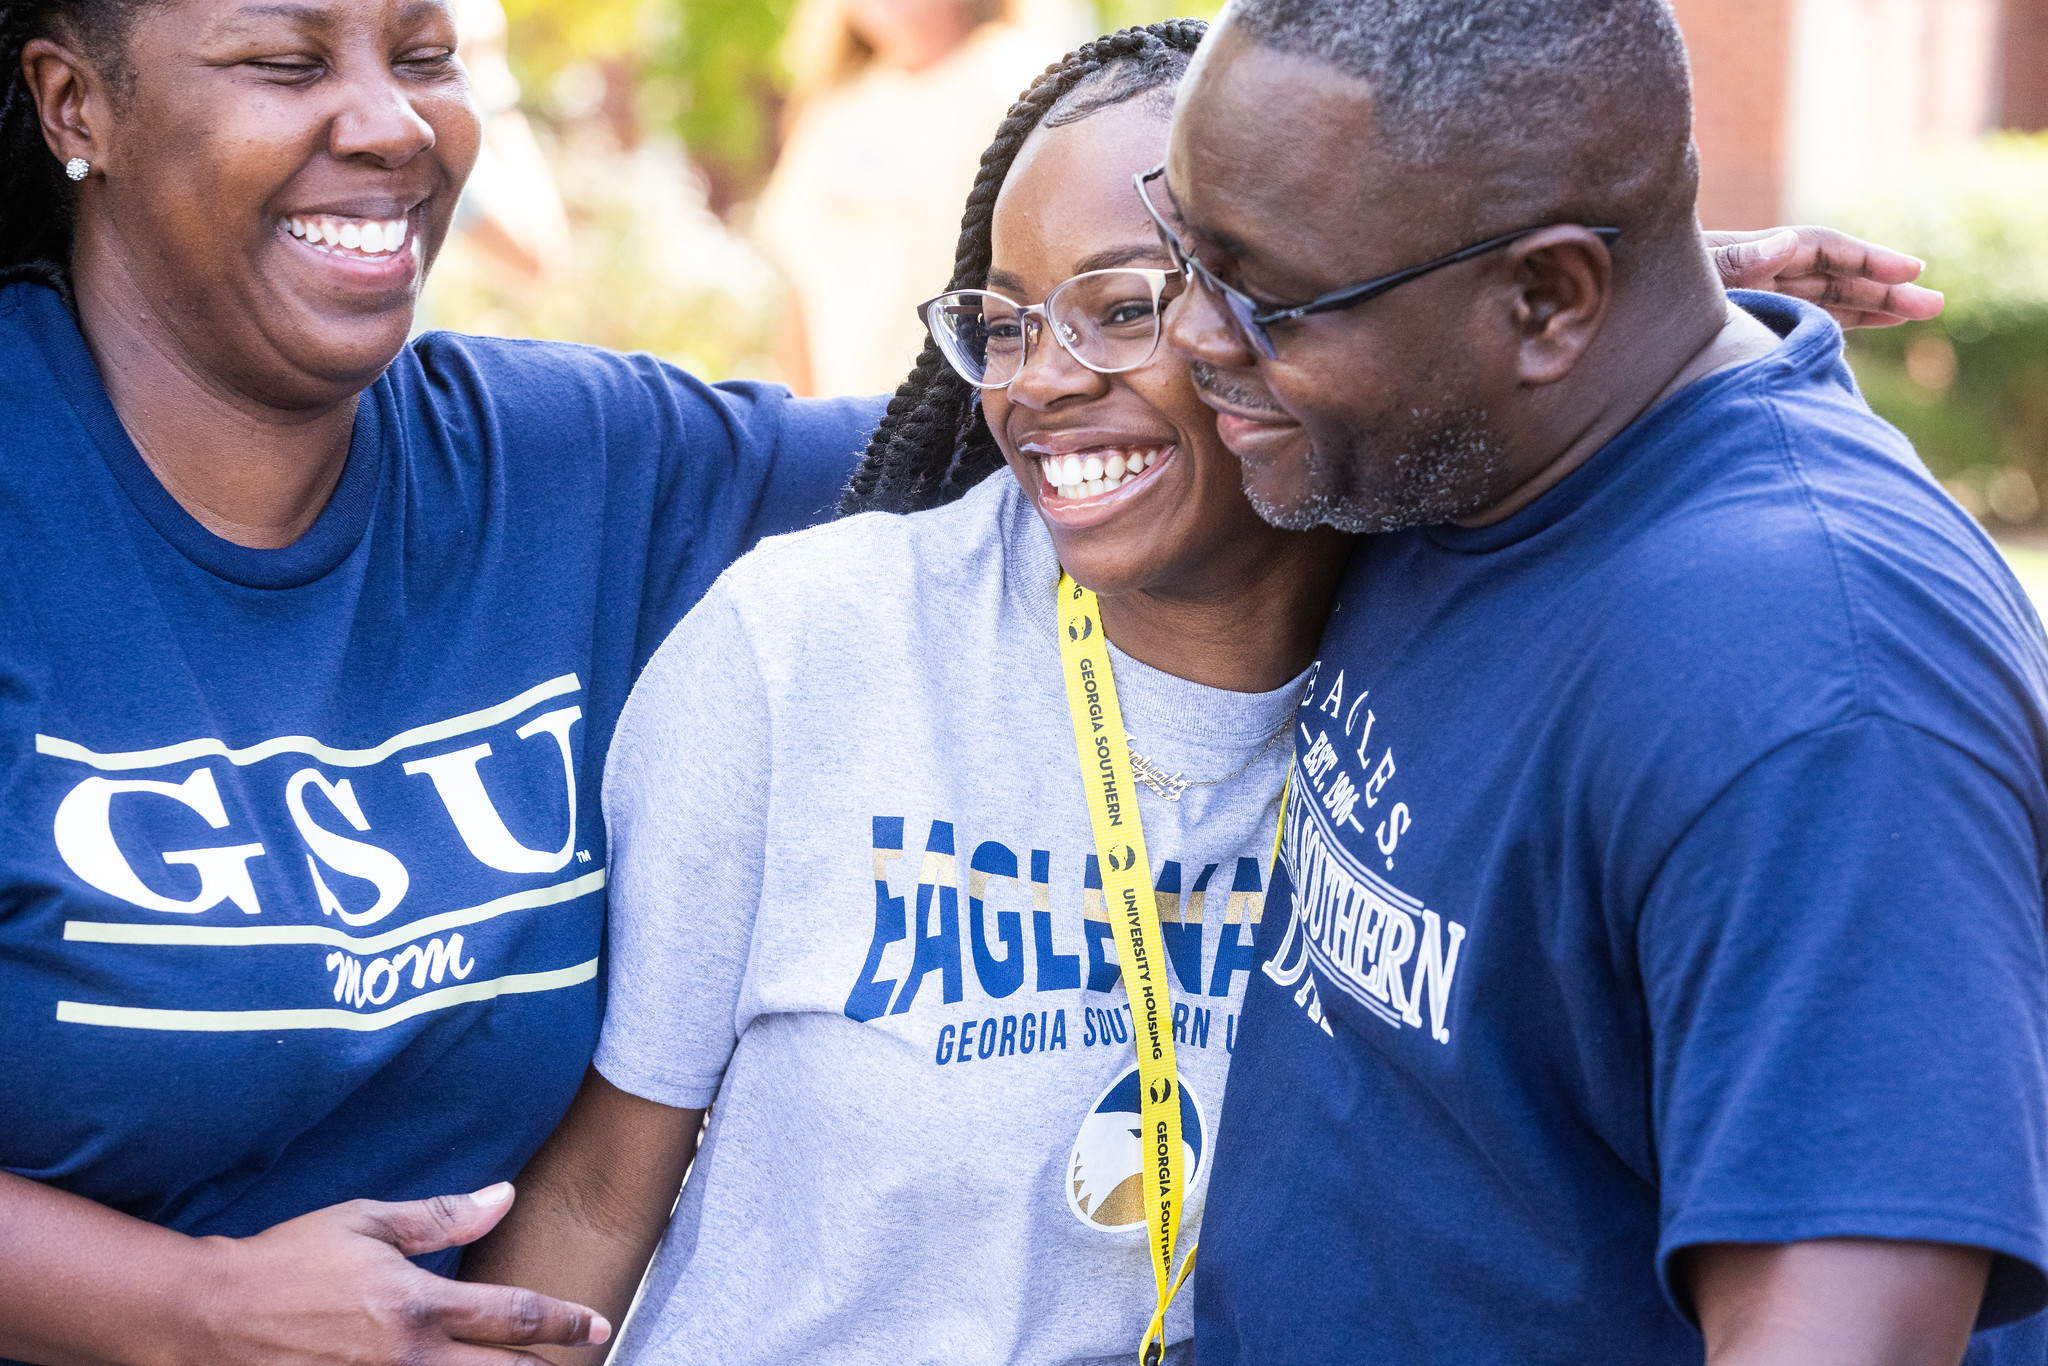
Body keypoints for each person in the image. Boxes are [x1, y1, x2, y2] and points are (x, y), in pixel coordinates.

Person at [460, 20, 1947, 1366]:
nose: (1039, 379)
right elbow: (601, 1191)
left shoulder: (1463, 620)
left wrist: (1605, 275)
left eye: (1135, 302)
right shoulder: (808, 650)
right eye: (1006, 319)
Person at [1142, 3, 2048, 1364]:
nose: (1194, 333)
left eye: (1264, 294)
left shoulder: (1818, 694)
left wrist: (1463, 301)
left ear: (1553, 300)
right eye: (1184, 248)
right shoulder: (1465, 438)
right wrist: (1487, 296)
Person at [0, 0, 879, 1361]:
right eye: (285, 63)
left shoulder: (569, 467)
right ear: (76, 107)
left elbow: (1005, 448)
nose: (391, 122)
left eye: (423, 57)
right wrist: (196, 1308)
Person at [754, 0, 1060, 396]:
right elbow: (797, 290)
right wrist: (808, 426)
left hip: (962, 425)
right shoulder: (833, 106)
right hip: (851, 426)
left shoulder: (1014, 82)